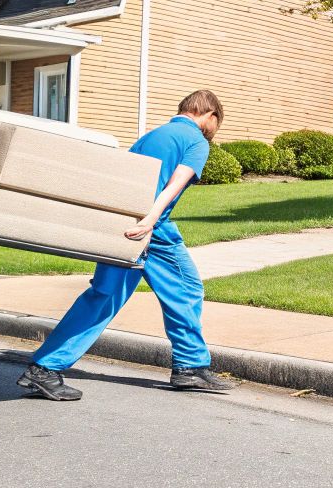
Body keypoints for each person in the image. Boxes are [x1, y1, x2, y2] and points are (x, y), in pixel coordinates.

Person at [18, 90, 235, 400]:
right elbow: (175, 184)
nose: (215, 131)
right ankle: (190, 368)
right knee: (186, 288)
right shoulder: (196, 141)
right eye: (218, 124)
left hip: (122, 225)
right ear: (210, 116)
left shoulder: (151, 136)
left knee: (103, 296)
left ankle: (44, 369)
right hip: (152, 228)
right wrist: (149, 220)